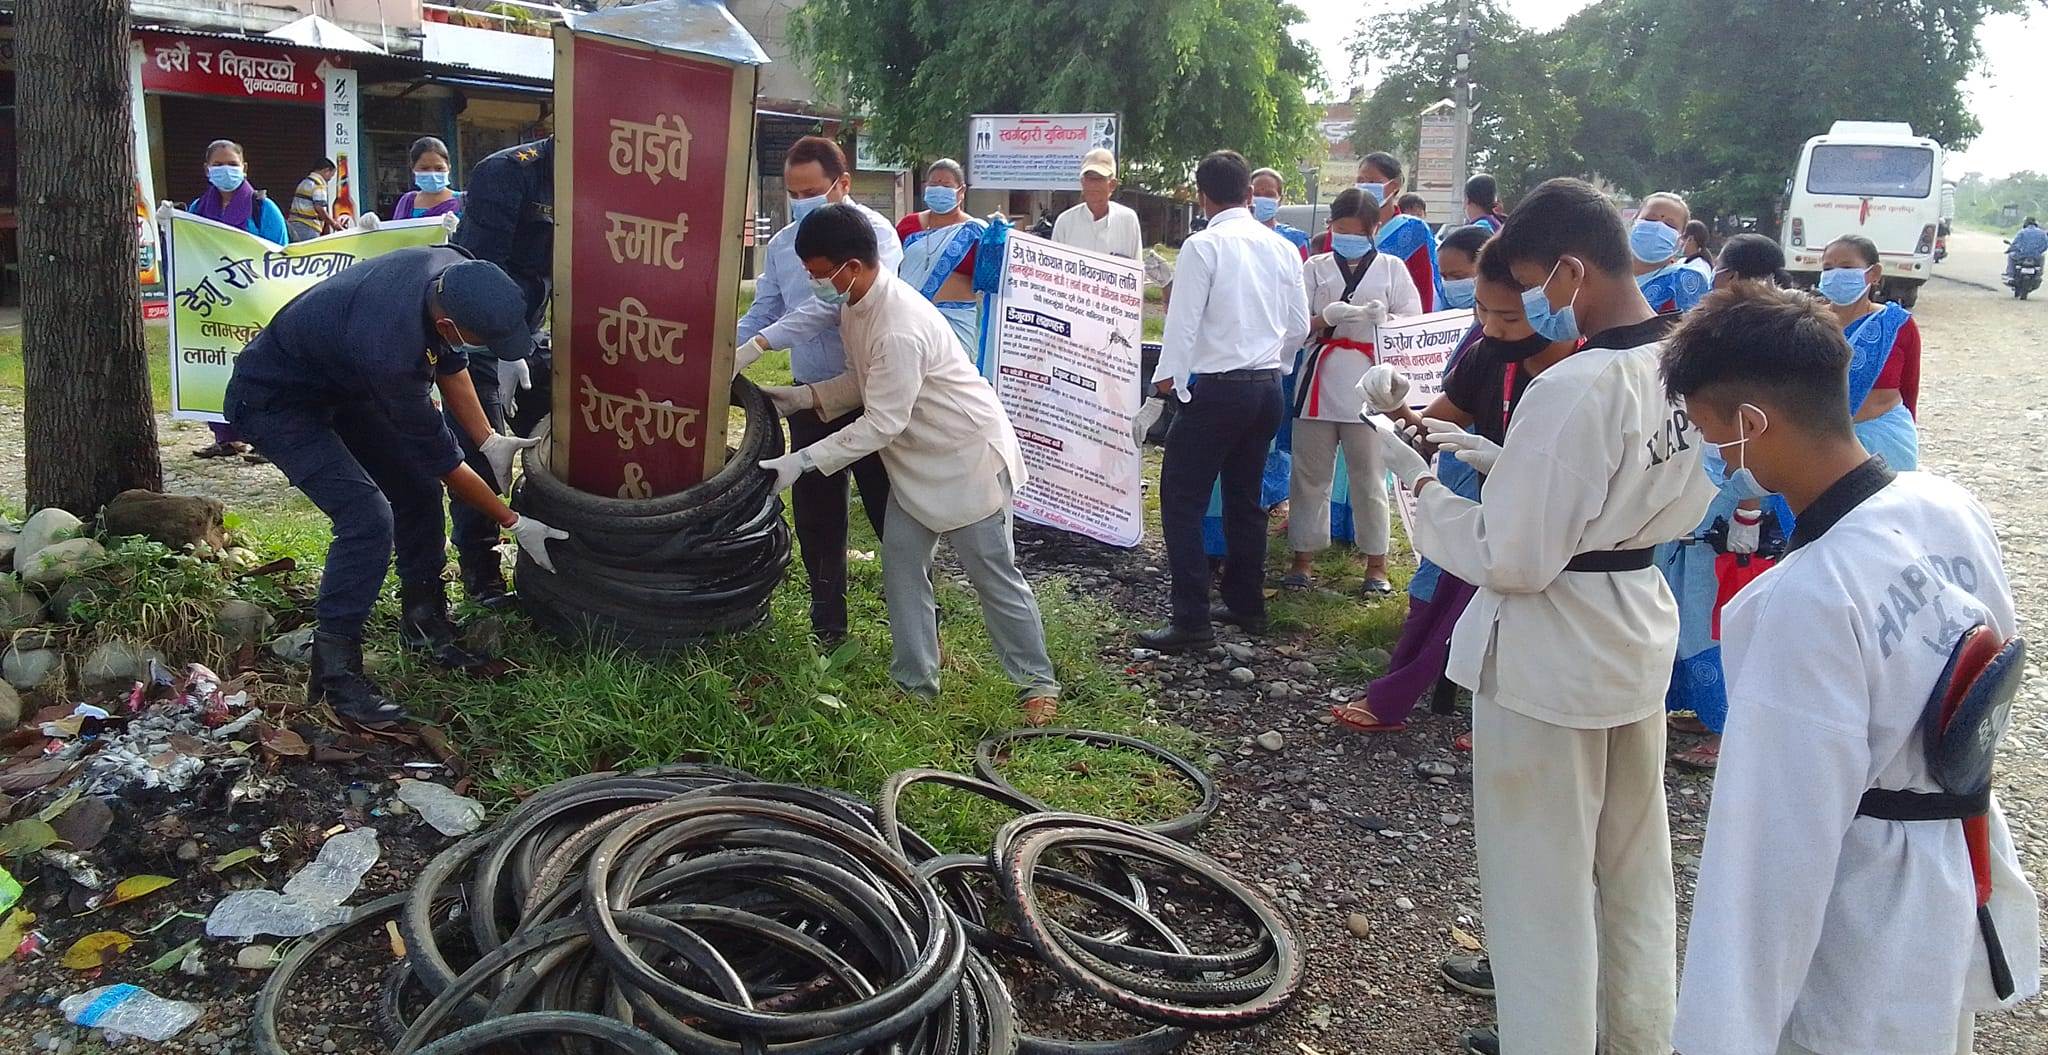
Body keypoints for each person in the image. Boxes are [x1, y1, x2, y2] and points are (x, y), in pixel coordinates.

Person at [1372, 178, 1717, 1055]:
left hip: (1551, 651)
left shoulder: (1578, 382)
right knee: (1634, 869)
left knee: (1541, 888)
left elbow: (1516, 558)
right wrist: (1493, 455)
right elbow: (1616, 493)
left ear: (1570, 271)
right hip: (1633, 623)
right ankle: (1639, 1038)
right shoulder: (1681, 360)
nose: (1527, 306)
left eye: (1531, 285)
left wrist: (1414, 484)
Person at [1666, 287, 2040, 1055]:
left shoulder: (1802, 598)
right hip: (1949, 865)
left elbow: (1772, 847)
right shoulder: (1947, 504)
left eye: (1708, 432)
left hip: (1861, 909)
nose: (1712, 454)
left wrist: (1722, 1033)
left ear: (1751, 424)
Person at [223, 249, 563, 726]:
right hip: (276, 401)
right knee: (366, 517)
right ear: (448, 323)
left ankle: (423, 621)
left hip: (342, 382)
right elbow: (445, 461)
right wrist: (512, 520)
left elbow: (451, 362)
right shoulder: (390, 350)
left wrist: (488, 439)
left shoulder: (452, 269)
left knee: (415, 489)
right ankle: (334, 677)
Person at [755, 204, 1060, 723]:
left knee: (994, 576)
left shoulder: (897, 324)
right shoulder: (857, 304)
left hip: (966, 459)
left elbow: (881, 423)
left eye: (819, 273)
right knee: (901, 570)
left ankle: (1037, 683)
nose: (816, 283)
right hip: (919, 464)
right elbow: (861, 382)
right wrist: (799, 398)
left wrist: (800, 463)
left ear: (852, 265)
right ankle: (915, 682)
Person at [1344, 229, 1583, 735]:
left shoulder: (1588, 371)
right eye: (1481, 311)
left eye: (1509, 317)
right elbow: (1427, 431)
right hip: (1488, 506)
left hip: (1561, 522)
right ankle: (1402, 697)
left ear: (1551, 303)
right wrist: (1392, 406)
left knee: (1524, 611)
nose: (1491, 328)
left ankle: (1505, 717)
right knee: (1436, 593)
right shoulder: (1487, 355)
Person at [1131, 151, 1309, 651]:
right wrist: (1276, 365)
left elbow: (1182, 324)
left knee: (1181, 501)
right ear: (1251, 194)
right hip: (1266, 387)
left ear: (1202, 196)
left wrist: (1164, 387)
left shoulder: (1202, 245)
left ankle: (1191, 620)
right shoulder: (1281, 247)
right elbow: (1298, 326)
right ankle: (1247, 604)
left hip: (1217, 389)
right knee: (1245, 499)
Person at [735, 136, 903, 644]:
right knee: (817, 517)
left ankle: (918, 622)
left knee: (892, 514)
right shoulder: (786, 243)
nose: (801, 200)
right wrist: (727, 353)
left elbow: (837, 305)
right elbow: (765, 307)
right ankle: (828, 625)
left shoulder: (874, 235)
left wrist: (761, 343)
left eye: (812, 190)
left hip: (872, 396)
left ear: (843, 184)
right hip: (810, 397)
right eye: (793, 191)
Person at [1660, 232, 1799, 771]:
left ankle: (1726, 729)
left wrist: (1742, 504)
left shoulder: (1756, 347)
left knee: (1709, 620)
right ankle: (1704, 709)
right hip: (1705, 502)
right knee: (1686, 607)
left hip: (1732, 511)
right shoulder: (1745, 336)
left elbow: (1758, 446)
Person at [1282, 187, 1421, 595]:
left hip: (1370, 384)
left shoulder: (1393, 268)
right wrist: (1324, 316)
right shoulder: (1315, 267)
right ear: (1330, 227)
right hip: (1319, 382)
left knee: (1369, 476)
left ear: (1374, 229)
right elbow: (1293, 327)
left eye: (1355, 231)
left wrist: (1386, 319)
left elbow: (1412, 326)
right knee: (1309, 475)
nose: (1345, 237)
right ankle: (1302, 558)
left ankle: (1376, 564)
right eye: (1338, 229)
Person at [448, 135, 553, 606]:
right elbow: (481, 273)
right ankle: (481, 570)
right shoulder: (508, 171)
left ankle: (552, 555)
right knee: (482, 448)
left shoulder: (604, 174)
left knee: (551, 445)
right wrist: (507, 346)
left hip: (536, 330)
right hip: (476, 334)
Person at [190, 139, 289, 460]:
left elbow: (281, 255)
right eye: (218, 165)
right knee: (215, 366)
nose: (225, 170)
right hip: (213, 303)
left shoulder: (263, 208)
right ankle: (226, 437)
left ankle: (265, 438)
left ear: (244, 168)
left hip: (254, 304)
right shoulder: (195, 211)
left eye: (232, 164)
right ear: (206, 169)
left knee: (259, 369)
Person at [1817, 234, 1920, 472]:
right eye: (1828, 268)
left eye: (1847, 267)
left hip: (1886, 442)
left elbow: (1909, 388)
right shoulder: (1807, 321)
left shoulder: (1896, 324)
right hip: (1818, 444)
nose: (1836, 275)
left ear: (1873, 274)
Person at [895, 158, 991, 372]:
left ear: (961, 190)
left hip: (956, 321)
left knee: (953, 385)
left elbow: (990, 280)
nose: (939, 190)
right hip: (910, 319)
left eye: (946, 186)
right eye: (934, 184)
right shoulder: (907, 226)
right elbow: (891, 268)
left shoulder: (976, 232)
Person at [1318, 152, 1444, 310]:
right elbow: (1324, 272)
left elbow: (1424, 290)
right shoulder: (1340, 227)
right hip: (1335, 321)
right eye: (1360, 181)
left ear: (1395, 185)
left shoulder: (1413, 230)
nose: (1365, 186)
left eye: (1372, 181)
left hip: (1394, 324)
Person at [1052, 148, 1143, 260]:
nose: (1093, 185)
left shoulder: (1128, 220)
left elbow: (1136, 269)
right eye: (1089, 178)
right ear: (1082, 183)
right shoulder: (1065, 222)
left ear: (1112, 185)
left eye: (1099, 178)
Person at [1631, 192, 1709, 314]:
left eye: (1670, 225)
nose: (1658, 227)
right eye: (1650, 219)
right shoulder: (1602, 270)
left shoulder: (1683, 280)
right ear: (1634, 222)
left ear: (1680, 239)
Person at [390, 137, 464, 221]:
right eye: (424, 168)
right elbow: (396, 232)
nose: (432, 174)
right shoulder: (407, 201)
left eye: (439, 168)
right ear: (413, 168)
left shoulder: (463, 202)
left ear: (449, 167)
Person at [1250, 167, 1312, 258]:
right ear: (1247, 196)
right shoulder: (1235, 235)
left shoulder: (1295, 239)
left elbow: (1303, 270)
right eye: (1256, 194)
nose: (1262, 198)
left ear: (1280, 199)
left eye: (1269, 195)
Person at [1710, 232, 1792, 290]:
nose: (1714, 270)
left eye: (1717, 265)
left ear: (1731, 276)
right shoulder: (1793, 310)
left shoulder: (1722, 313)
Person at [286, 158, 337, 242]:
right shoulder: (318, 184)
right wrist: (333, 223)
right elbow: (319, 208)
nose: (329, 179)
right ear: (326, 170)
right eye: (331, 175)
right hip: (309, 228)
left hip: (294, 225)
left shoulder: (304, 182)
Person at [1679, 219, 1714, 284]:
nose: (1679, 241)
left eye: (1682, 237)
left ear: (1690, 239)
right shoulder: (1682, 261)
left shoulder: (1699, 267)